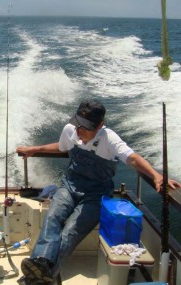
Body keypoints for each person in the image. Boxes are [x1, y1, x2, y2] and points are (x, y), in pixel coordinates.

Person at [16, 99, 180, 285]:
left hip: (96, 194)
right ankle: (41, 263)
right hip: (70, 185)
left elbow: (132, 159)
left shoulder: (109, 138)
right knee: (53, 216)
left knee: (71, 230)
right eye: (78, 124)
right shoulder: (70, 129)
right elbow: (61, 147)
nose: (79, 130)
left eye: (86, 127)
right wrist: (34, 149)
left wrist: (156, 175)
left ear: (101, 125)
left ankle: (39, 274)